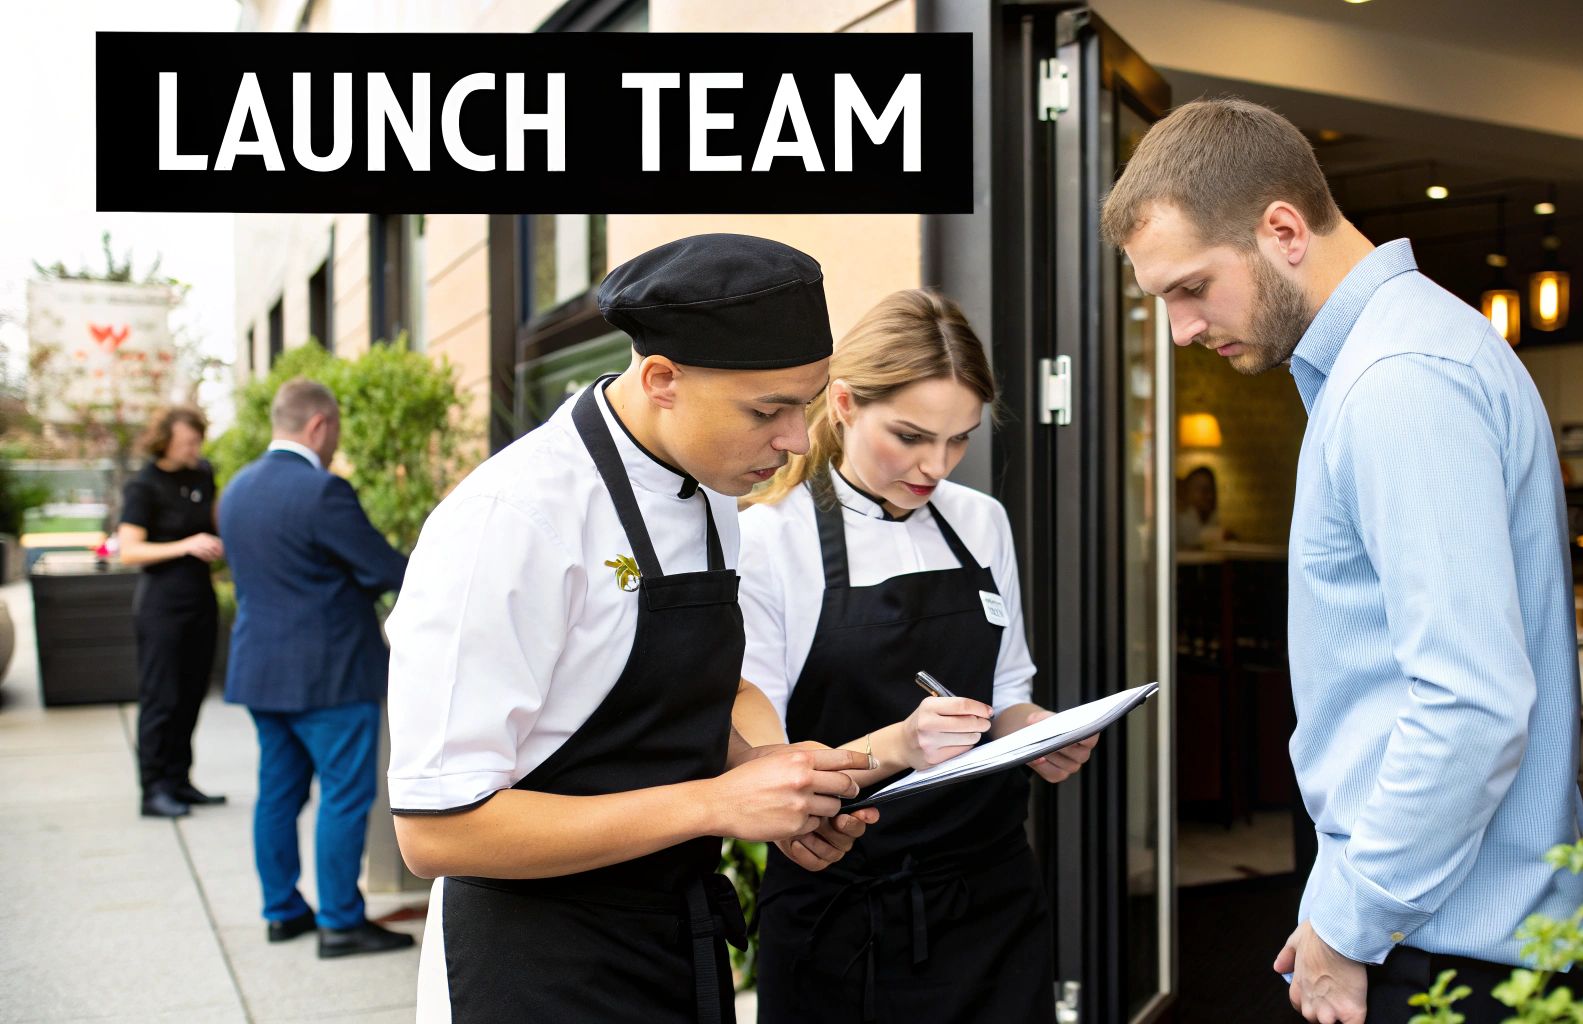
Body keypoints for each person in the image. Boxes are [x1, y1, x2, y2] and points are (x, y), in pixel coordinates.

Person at [1103, 98, 1583, 1022]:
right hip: (1434, 925)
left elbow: (1471, 703)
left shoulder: (1399, 379)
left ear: (1282, 229)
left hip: (1445, 952)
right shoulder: (1388, 360)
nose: (1181, 330)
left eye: (1191, 287)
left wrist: (1348, 918)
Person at [384, 234, 879, 1024]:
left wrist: (773, 774)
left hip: (672, 939)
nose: (794, 440)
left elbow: (704, 687)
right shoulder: (508, 522)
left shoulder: (711, 485)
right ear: (661, 380)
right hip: (532, 968)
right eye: (767, 410)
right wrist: (718, 805)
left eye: (807, 403)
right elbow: (436, 830)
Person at [735, 288, 1100, 1024]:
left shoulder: (981, 522)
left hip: (991, 902)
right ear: (841, 403)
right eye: (909, 436)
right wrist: (904, 744)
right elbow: (761, 769)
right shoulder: (768, 540)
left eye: (959, 439)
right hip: (843, 917)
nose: (937, 466)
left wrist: (1037, 731)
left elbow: (1007, 692)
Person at [218, 378, 415, 958]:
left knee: (277, 794)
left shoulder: (237, 490)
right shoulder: (322, 492)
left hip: (261, 669)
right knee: (344, 798)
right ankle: (339, 922)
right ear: (319, 425)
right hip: (330, 673)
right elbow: (385, 569)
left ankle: (282, 912)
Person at [118, 405, 225, 819]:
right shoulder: (143, 486)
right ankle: (153, 789)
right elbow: (129, 551)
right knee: (160, 697)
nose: (194, 449)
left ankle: (180, 780)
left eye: (197, 441)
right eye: (186, 443)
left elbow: (213, 521)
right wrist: (185, 545)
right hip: (161, 605)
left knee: (191, 694)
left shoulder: (203, 473)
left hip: (200, 600)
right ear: (165, 441)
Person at [1176, 464, 1228, 550]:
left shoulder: (1211, 517)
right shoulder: (1179, 517)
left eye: (1210, 490)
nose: (1208, 496)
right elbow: (1192, 540)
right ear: (1187, 490)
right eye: (1202, 489)